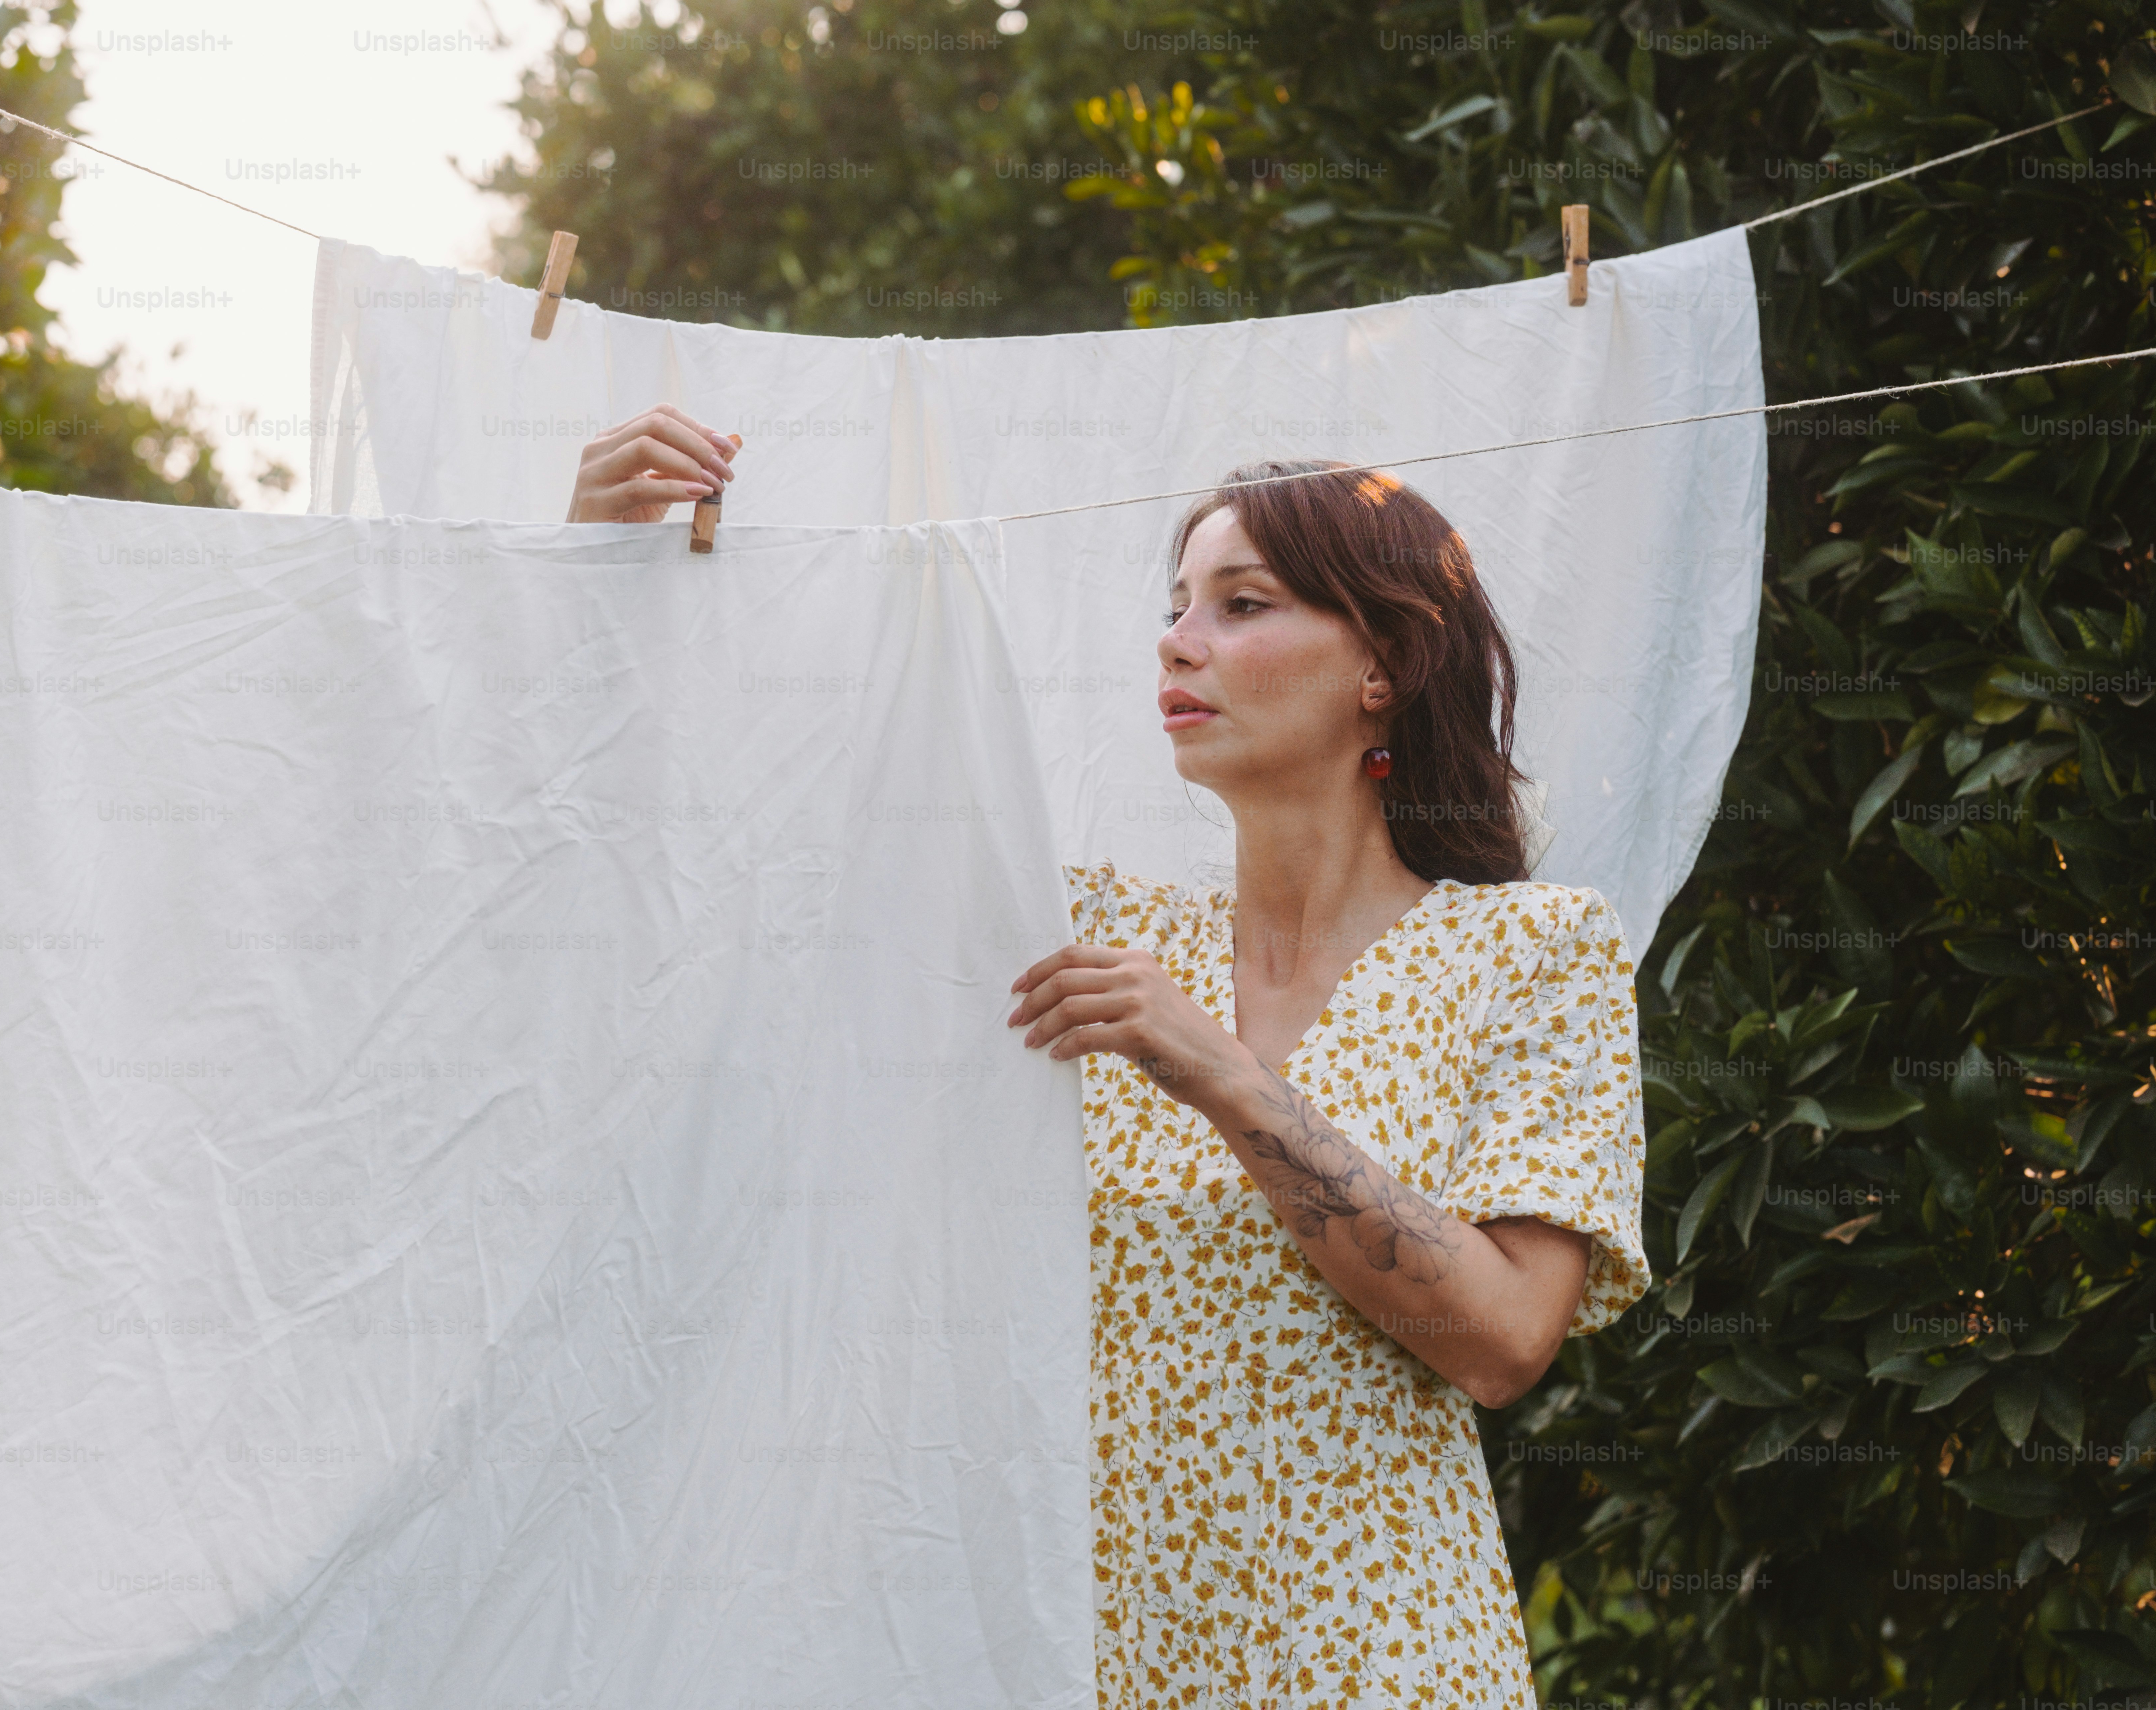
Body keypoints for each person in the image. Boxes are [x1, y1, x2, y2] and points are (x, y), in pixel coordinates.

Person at [569, 407, 1650, 1708]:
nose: (1177, 640)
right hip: (1095, 1660)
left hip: (1385, 1660)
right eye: (1176, 605)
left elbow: (1502, 1339)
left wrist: (1224, 1076)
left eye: (1241, 605)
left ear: (1385, 663)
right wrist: (606, 581)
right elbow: (755, 859)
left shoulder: (1533, 948)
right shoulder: (1082, 935)